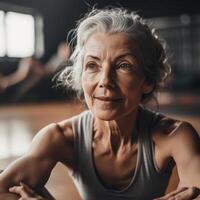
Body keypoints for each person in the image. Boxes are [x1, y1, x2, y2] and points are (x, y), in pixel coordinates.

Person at [0, 7, 200, 200]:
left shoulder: (175, 136)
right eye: (92, 65)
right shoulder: (59, 137)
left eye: (123, 65)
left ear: (147, 81)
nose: (105, 80)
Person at [0, 42, 71, 101]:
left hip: (47, 72)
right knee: (29, 66)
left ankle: (7, 81)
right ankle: (9, 83)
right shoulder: (56, 57)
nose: (64, 51)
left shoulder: (66, 62)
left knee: (29, 62)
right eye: (62, 49)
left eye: (66, 49)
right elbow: (48, 65)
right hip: (44, 69)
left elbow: (53, 71)